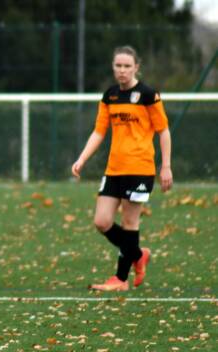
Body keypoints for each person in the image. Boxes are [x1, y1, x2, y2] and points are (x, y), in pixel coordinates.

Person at [72, 45, 172, 292]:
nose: (122, 71)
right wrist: (82, 159)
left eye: (127, 66)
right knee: (102, 221)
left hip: (139, 169)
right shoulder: (110, 96)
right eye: (118, 66)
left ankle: (120, 279)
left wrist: (166, 166)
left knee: (130, 223)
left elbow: (163, 131)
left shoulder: (149, 95)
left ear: (136, 67)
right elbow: (99, 131)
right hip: (114, 169)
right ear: (113, 67)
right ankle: (138, 254)